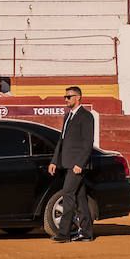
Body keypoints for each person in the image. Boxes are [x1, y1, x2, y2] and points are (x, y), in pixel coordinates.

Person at [50, 86, 95, 242]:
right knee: (80, 199)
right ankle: (87, 233)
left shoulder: (86, 116)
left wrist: (80, 164)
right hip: (67, 163)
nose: (66, 99)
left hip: (76, 165)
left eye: (69, 96)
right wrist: (55, 161)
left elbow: (88, 143)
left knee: (67, 195)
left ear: (78, 97)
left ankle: (63, 234)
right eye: (65, 96)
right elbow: (61, 141)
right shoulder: (67, 116)